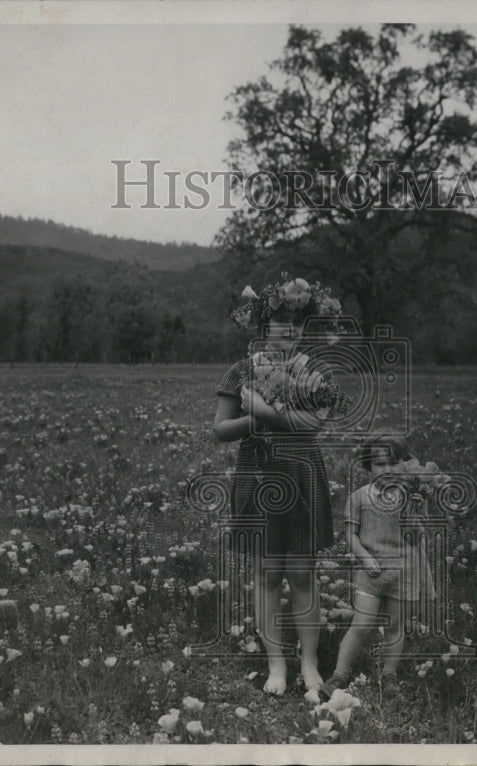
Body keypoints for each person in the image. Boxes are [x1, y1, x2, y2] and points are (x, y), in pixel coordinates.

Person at [214, 277, 345, 695]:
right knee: (268, 575)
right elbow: (220, 430)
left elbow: (315, 425)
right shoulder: (241, 371)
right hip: (258, 477)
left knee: (303, 576)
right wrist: (253, 416)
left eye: (297, 324)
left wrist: (267, 411)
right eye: (280, 323)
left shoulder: (315, 372)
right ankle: (276, 665)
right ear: (264, 327)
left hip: (301, 475)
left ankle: (308, 664)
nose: (289, 331)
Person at [320, 434, 437, 700]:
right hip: (371, 572)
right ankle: (340, 674)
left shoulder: (412, 497)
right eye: (379, 464)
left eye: (393, 463)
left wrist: (416, 513)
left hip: (404, 571)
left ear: (406, 466)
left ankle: (389, 676)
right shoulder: (359, 498)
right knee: (361, 625)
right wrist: (363, 556)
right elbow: (351, 535)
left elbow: (419, 536)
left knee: (395, 626)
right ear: (368, 467)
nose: (386, 470)